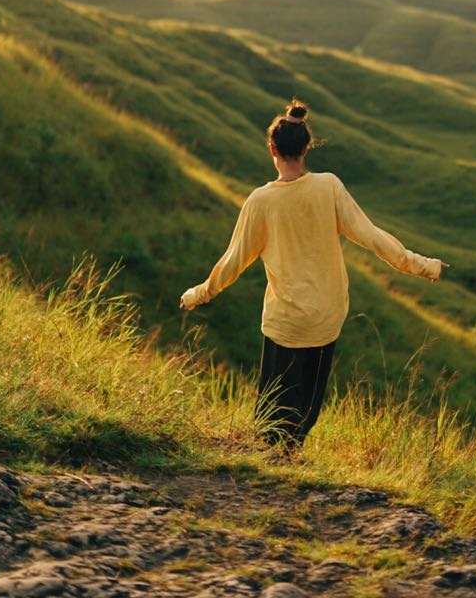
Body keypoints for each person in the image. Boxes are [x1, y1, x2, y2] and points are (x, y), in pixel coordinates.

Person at [180, 98, 450, 455]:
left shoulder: (261, 202)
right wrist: (424, 264)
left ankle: (275, 467)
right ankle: (291, 460)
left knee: (273, 414)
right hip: (326, 317)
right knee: (305, 409)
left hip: (287, 321)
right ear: (306, 148)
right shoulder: (329, 186)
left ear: (272, 149)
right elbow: (372, 237)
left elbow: (232, 262)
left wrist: (199, 294)